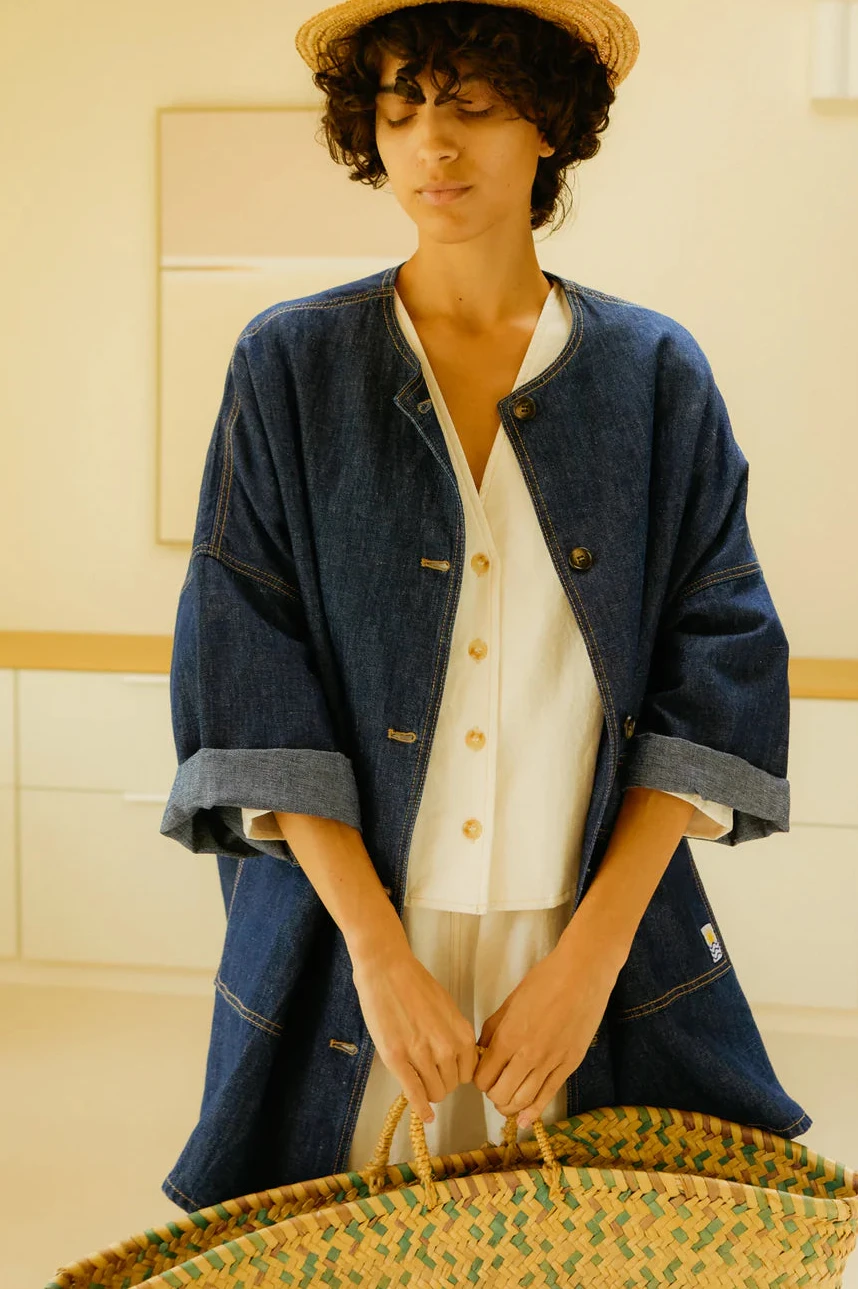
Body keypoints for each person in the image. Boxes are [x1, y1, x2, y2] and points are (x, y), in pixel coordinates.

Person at [159, 0, 811, 1214]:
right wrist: (380, 957)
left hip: (579, 937)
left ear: (550, 127)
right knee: (334, 1240)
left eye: (473, 107)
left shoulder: (653, 373)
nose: (432, 145)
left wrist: (591, 962)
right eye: (402, 109)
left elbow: (718, 658)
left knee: (590, 1242)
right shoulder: (292, 363)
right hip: (356, 934)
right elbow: (248, 663)